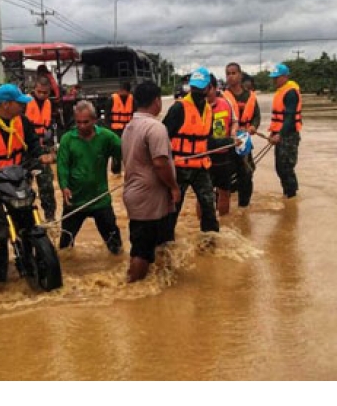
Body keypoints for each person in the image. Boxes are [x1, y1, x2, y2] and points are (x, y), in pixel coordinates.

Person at [163, 67, 233, 237]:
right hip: (179, 167)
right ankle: (165, 245)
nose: (197, 92)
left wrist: (231, 141)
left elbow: (207, 141)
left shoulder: (209, 110)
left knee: (209, 207)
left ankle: (209, 244)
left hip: (201, 166)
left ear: (209, 87)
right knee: (172, 210)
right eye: (194, 88)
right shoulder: (178, 108)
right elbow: (162, 136)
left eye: (201, 88)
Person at [121, 82, 179, 282]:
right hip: (148, 198)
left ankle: (156, 287)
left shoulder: (129, 126)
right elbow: (160, 163)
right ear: (156, 101)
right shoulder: (156, 128)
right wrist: (173, 186)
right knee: (142, 250)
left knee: (159, 243)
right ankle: (133, 290)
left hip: (136, 194)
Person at [56, 101, 122, 253]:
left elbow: (126, 152)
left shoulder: (106, 137)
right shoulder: (67, 139)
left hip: (100, 199)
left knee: (115, 247)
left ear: (94, 120)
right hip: (75, 200)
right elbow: (62, 165)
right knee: (65, 248)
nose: (81, 126)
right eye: (78, 122)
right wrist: (64, 186)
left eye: (86, 122)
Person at [223, 62, 261, 207]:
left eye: (234, 73)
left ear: (240, 75)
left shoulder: (250, 96)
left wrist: (253, 127)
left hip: (244, 141)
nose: (231, 77)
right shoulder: (222, 97)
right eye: (228, 74)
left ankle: (243, 208)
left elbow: (257, 116)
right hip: (228, 141)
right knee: (225, 174)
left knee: (246, 174)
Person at [24, 78, 58, 221]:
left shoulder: (49, 104)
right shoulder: (25, 102)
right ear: (34, 90)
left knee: (47, 185)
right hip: (26, 151)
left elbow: (49, 127)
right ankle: (25, 218)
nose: (42, 95)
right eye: (39, 92)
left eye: (45, 92)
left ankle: (50, 217)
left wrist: (51, 150)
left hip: (43, 149)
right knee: (24, 185)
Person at [268, 63, 302, 198]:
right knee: (280, 168)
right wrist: (273, 133)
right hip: (281, 135)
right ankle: (288, 195)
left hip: (289, 137)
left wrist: (280, 135)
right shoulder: (281, 91)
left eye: (276, 77)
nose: (274, 80)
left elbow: (290, 117)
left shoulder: (291, 93)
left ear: (285, 77)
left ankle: (291, 196)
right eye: (273, 78)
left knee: (286, 168)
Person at [205, 74, 238, 216]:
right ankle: (202, 227)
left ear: (214, 88)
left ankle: (224, 225)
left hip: (224, 156)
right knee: (204, 195)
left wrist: (233, 133)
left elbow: (235, 122)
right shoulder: (195, 107)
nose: (205, 92)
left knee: (225, 191)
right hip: (204, 157)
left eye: (208, 88)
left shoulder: (226, 103)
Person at [107, 81, 133, 174]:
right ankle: (116, 170)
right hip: (115, 129)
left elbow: (135, 114)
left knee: (128, 151)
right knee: (116, 150)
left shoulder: (132, 100)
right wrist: (108, 130)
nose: (123, 93)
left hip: (128, 129)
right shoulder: (112, 99)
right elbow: (107, 116)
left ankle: (128, 171)